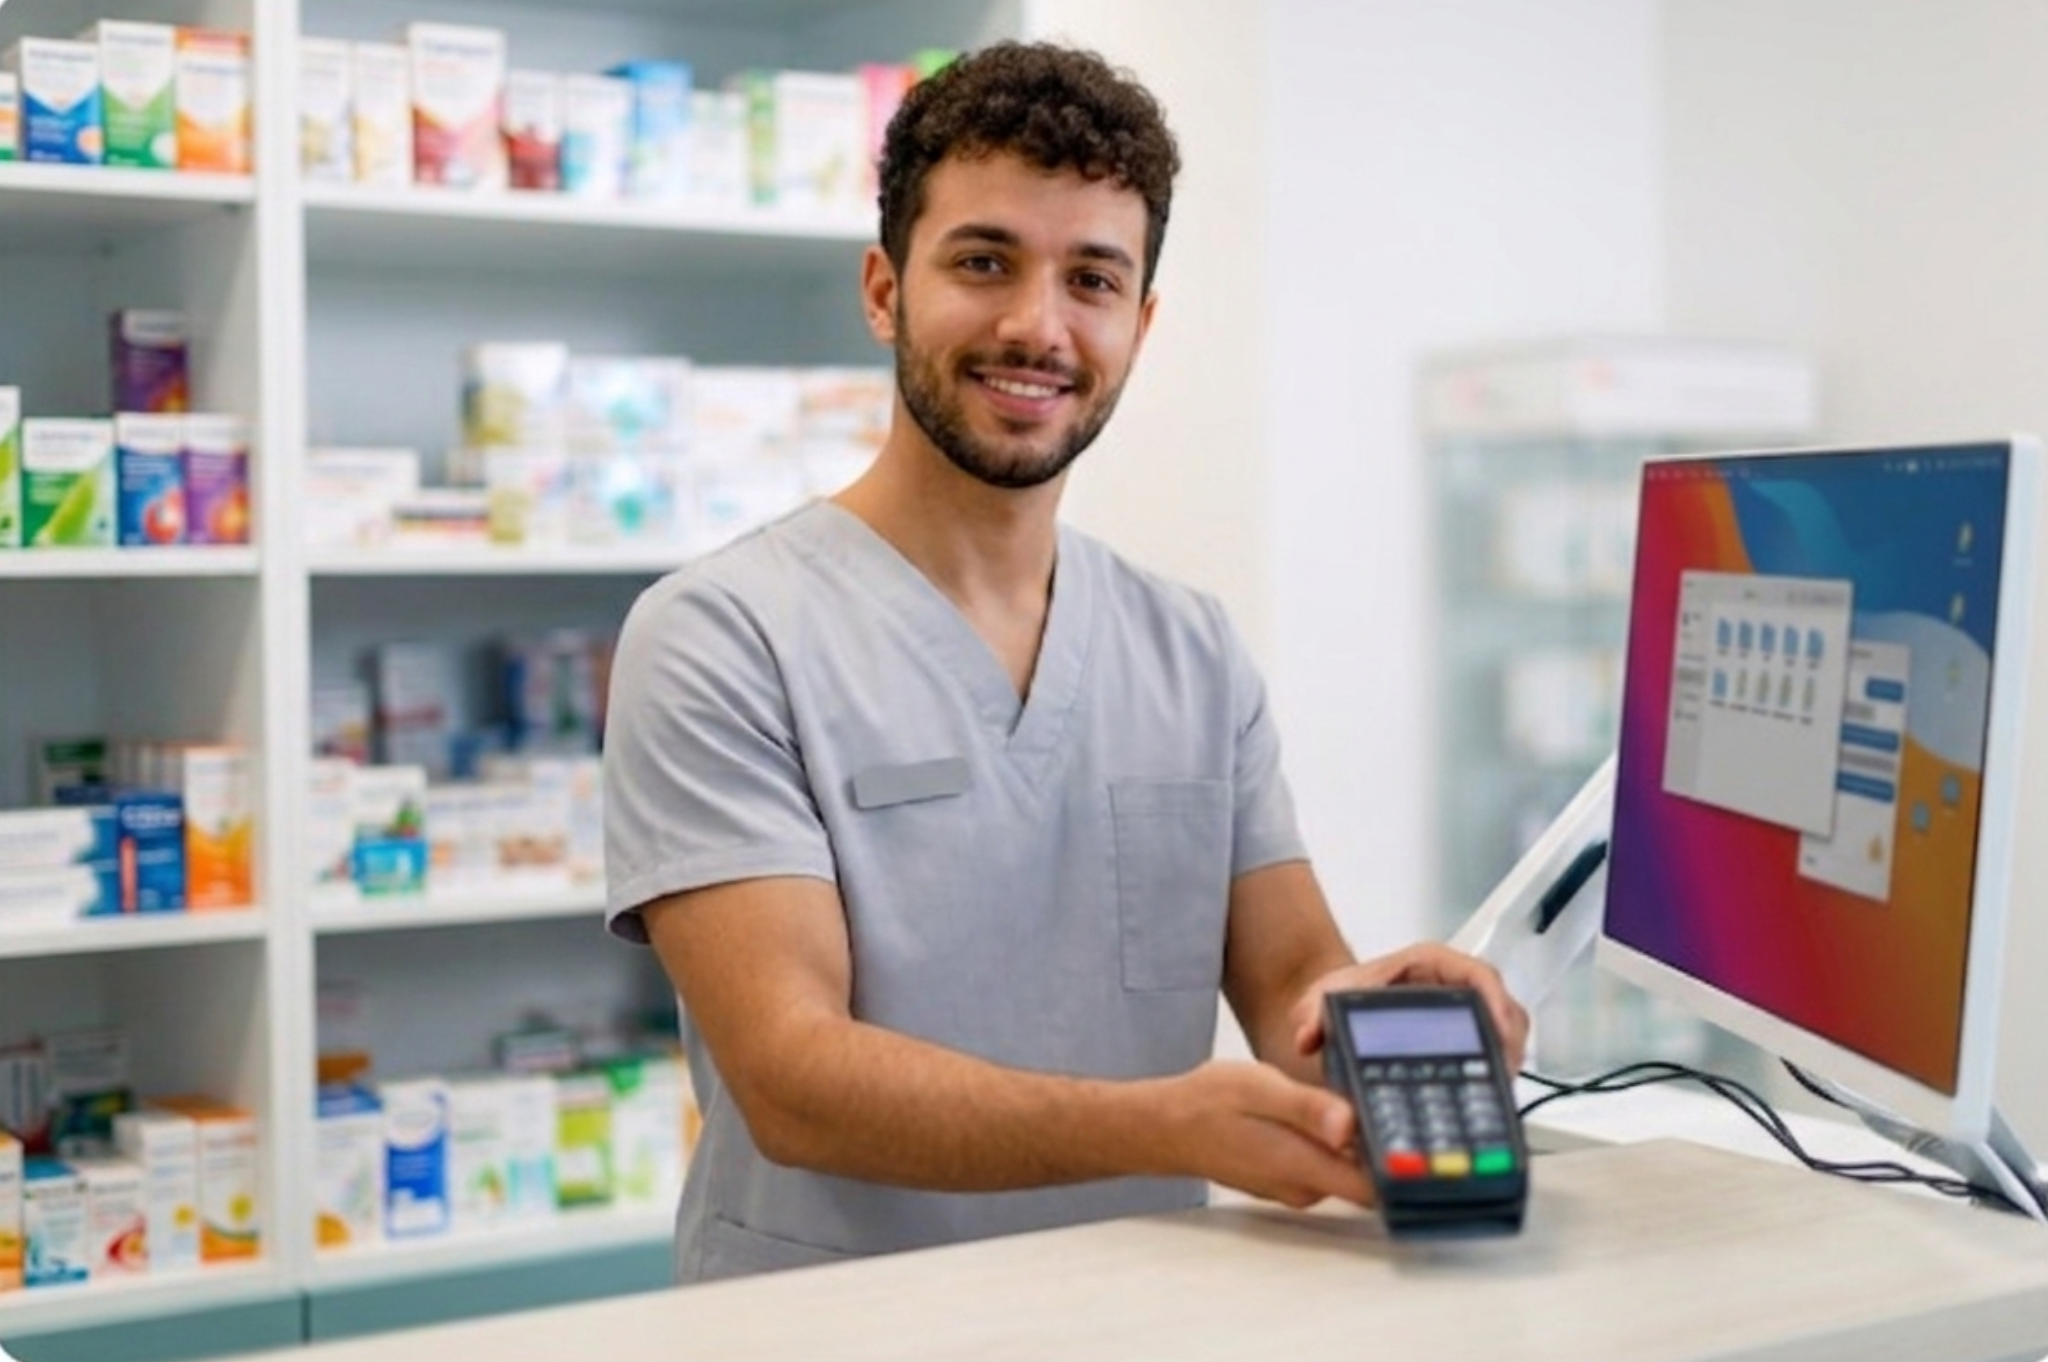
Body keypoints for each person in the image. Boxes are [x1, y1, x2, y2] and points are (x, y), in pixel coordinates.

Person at [603, 39, 1528, 1284]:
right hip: (824, 1326)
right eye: (983, 262)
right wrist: (1159, 1124)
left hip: (1145, 1312)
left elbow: (1292, 988)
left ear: (1138, 325)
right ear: (884, 290)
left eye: (1091, 279)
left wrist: (1386, 1015)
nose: (1037, 326)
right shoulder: (718, 637)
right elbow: (792, 1081)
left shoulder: (1190, 648)